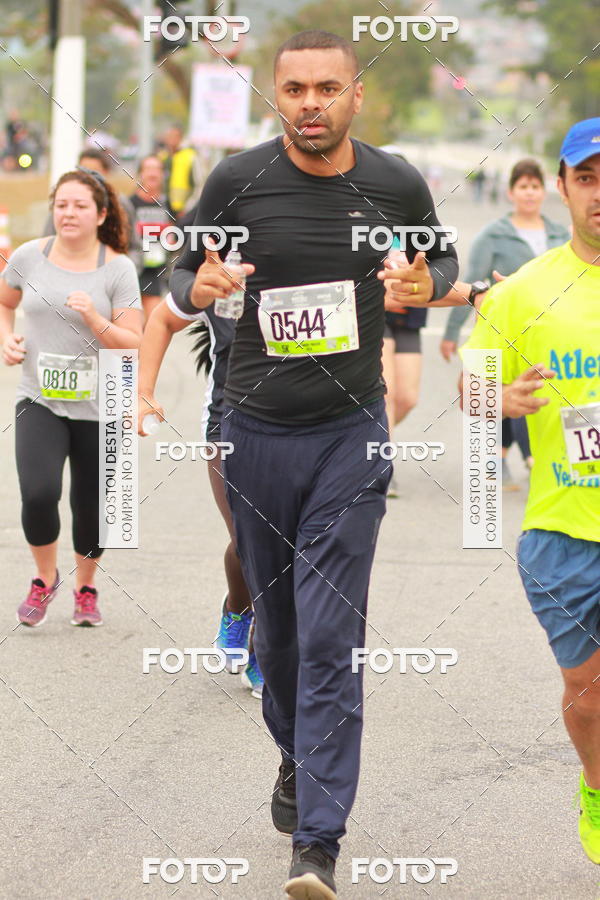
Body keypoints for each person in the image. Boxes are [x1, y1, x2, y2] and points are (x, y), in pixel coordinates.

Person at [170, 29, 458, 900]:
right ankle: (297, 758)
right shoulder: (238, 180)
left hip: (349, 432)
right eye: (294, 88)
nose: (310, 103)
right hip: (256, 434)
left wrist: (425, 286)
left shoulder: (395, 180)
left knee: (332, 633)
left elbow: (439, 260)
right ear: (276, 95)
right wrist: (200, 289)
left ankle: (318, 846)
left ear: (354, 96)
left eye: (326, 88)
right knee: (284, 637)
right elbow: (180, 270)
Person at [459, 118, 600, 865]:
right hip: (562, 530)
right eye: (588, 178)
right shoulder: (525, 291)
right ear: (564, 189)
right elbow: (472, 384)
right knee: (588, 695)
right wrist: (495, 400)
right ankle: (597, 787)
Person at [0, 168, 143, 627]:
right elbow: (5, 302)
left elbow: (133, 341)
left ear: (101, 214)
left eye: (80, 205)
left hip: (103, 407)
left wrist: (93, 319)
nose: (69, 213)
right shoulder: (29, 256)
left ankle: (86, 588)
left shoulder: (117, 266)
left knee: (91, 507)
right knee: (38, 492)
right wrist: (7, 339)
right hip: (39, 399)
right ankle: (44, 580)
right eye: (62, 204)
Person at [137, 292, 264, 698]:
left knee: (288, 543)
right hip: (227, 428)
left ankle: (265, 652)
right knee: (251, 538)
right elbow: (160, 320)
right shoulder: (217, 278)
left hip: (303, 428)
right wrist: (145, 391)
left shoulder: (314, 263)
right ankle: (237, 612)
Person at [441, 158, 570, 488]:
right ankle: (497, 457)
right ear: (511, 192)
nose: (529, 193)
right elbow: (472, 283)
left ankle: (532, 457)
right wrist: (452, 332)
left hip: (549, 330)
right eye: (523, 187)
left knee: (539, 391)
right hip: (503, 328)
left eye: (535, 187)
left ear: (545, 192)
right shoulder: (493, 235)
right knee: (500, 391)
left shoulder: (560, 235)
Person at [43, 147, 142, 273]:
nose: (88, 177)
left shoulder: (120, 203)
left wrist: (123, 272)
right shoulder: (65, 201)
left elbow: (135, 247)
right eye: (83, 172)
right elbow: (47, 242)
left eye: (94, 172)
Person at [129, 155, 175, 321]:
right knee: (130, 323)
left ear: (163, 174)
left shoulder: (166, 203)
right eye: (148, 169)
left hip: (155, 270)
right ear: (140, 174)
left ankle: (146, 347)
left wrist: (170, 240)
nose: (153, 174)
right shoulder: (129, 203)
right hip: (132, 269)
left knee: (153, 322)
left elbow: (172, 230)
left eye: (157, 169)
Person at [157, 126, 201, 218]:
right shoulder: (162, 157)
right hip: (163, 208)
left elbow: (199, 185)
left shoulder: (190, 156)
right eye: (170, 136)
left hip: (183, 211)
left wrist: (188, 208)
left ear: (181, 138)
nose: (172, 139)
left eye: (175, 136)